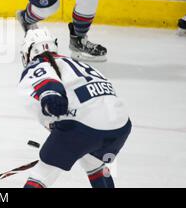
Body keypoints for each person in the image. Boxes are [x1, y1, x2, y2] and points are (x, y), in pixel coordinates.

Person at [18, 28, 131, 188]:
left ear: (29, 51)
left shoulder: (39, 65)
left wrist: (52, 99)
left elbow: (49, 85)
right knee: (94, 164)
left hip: (84, 129)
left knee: (42, 173)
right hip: (120, 127)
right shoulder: (78, 64)